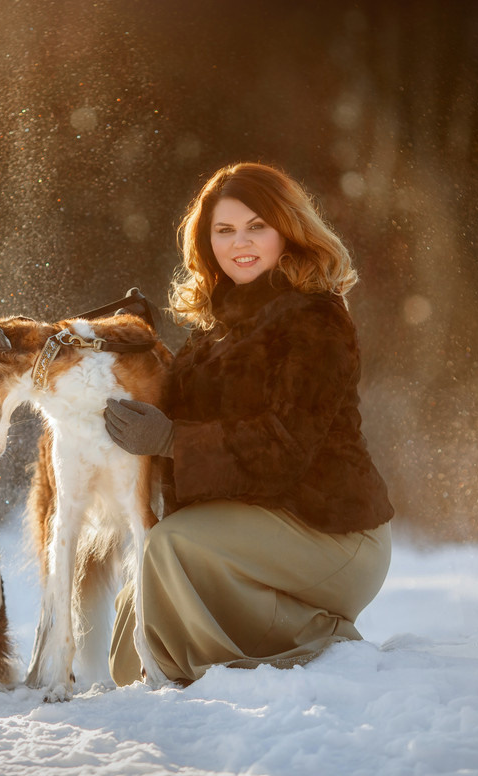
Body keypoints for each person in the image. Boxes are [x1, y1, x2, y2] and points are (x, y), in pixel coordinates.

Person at [104, 161, 394, 686]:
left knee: (173, 549)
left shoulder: (316, 319)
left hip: (331, 533)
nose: (241, 242)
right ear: (206, 240)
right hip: (258, 525)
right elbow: (178, 412)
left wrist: (171, 439)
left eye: (256, 226)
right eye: (225, 230)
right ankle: (163, 681)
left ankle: (317, 636)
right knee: (145, 592)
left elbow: (283, 446)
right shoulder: (217, 326)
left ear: (287, 229)